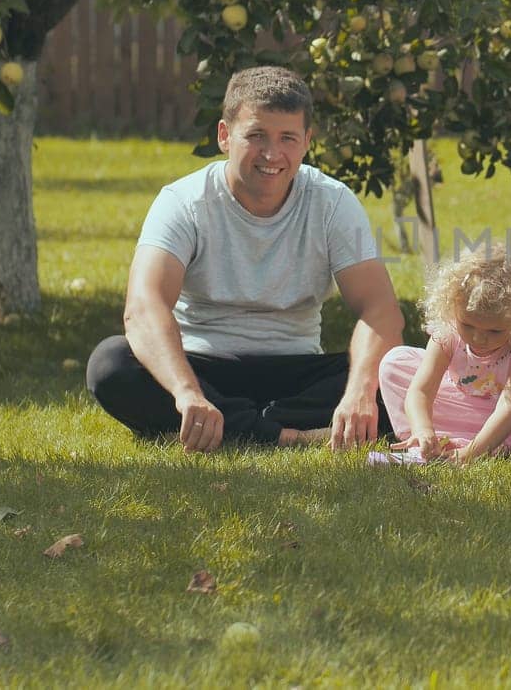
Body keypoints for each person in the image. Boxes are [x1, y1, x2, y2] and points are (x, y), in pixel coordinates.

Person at [86, 66, 403, 452]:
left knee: (407, 371)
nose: (272, 154)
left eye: (287, 138)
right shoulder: (183, 201)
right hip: (204, 368)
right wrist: (187, 393)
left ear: (306, 141)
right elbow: (143, 307)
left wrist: (359, 393)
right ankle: (286, 433)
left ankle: (232, 427)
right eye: (256, 136)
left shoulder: (332, 202)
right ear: (225, 135)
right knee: (111, 365)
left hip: (297, 370)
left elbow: (380, 309)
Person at [378, 244, 511, 462]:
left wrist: (471, 453)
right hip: (459, 402)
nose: (479, 339)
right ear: (453, 307)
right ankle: (432, 439)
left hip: (510, 416)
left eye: (494, 331)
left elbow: (509, 408)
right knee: (393, 363)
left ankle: (476, 442)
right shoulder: (447, 335)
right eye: (468, 326)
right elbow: (421, 391)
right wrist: (422, 428)